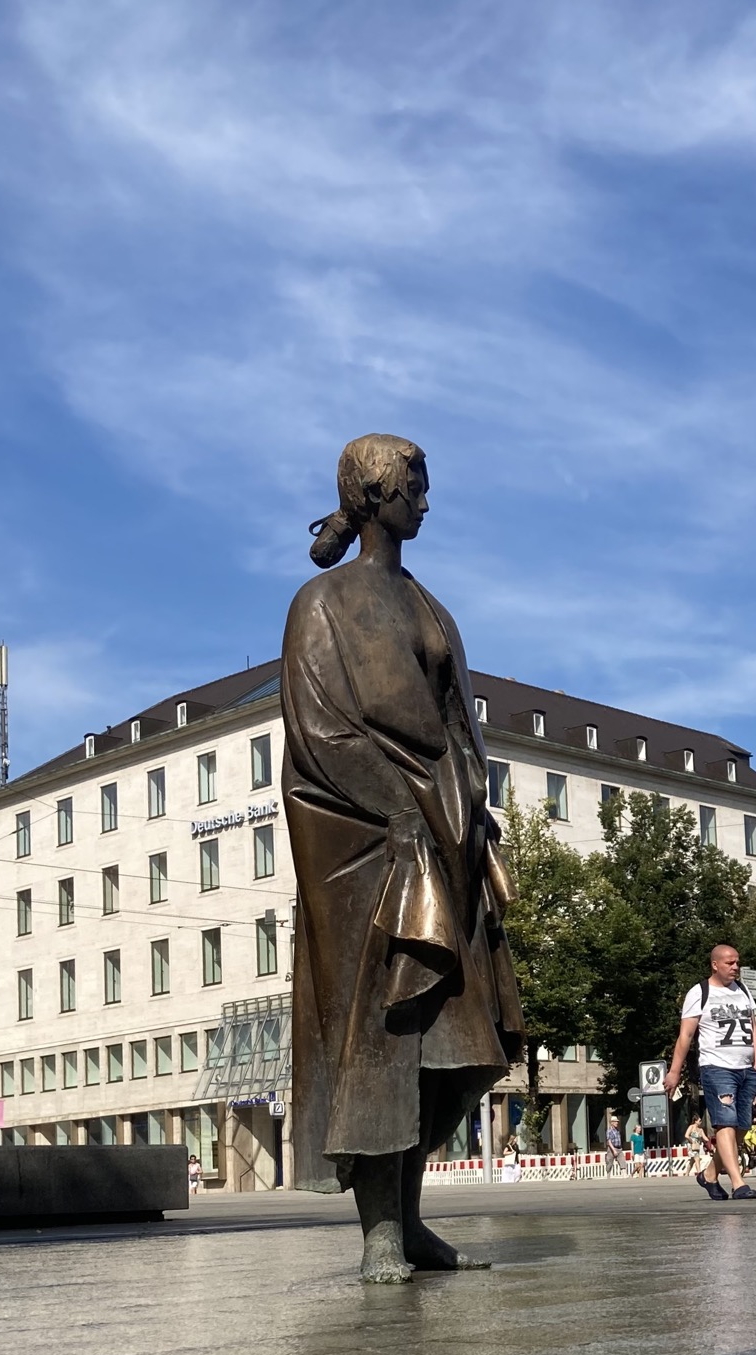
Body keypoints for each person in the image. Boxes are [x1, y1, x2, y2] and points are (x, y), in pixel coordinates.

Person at [282, 434, 523, 1282]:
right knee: (384, 1038)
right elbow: (318, 733)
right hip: (366, 842)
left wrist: (474, 818)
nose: (426, 502)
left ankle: (411, 1216)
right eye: (416, 487)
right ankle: (380, 1230)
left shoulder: (432, 608)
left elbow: (459, 728)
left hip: (448, 834)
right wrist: (397, 809)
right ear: (377, 493)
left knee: (463, 1055)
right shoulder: (322, 603)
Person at [664, 943, 756, 1201]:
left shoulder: (743, 990)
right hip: (717, 1067)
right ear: (715, 965)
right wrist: (675, 1072)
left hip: (745, 1068)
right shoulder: (699, 993)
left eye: (737, 962)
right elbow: (685, 1035)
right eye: (729, 963)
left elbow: (753, 1028)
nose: (735, 967)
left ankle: (709, 1174)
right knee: (725, 1124)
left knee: (742, 1126)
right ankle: (739, 1183)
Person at [603, 1110, 625, 1176]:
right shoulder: (609, 1131)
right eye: (615, 1122)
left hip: (619, 1148)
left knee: (623, 1162)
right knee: (609, 1163)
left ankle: (625, 1176)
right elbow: (609, 1141)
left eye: (617, 1122)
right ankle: (608, 1177)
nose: (617, 1123)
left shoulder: (618, 1130)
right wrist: (613, 1150)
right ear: (612, 1123)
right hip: (611, 1149)